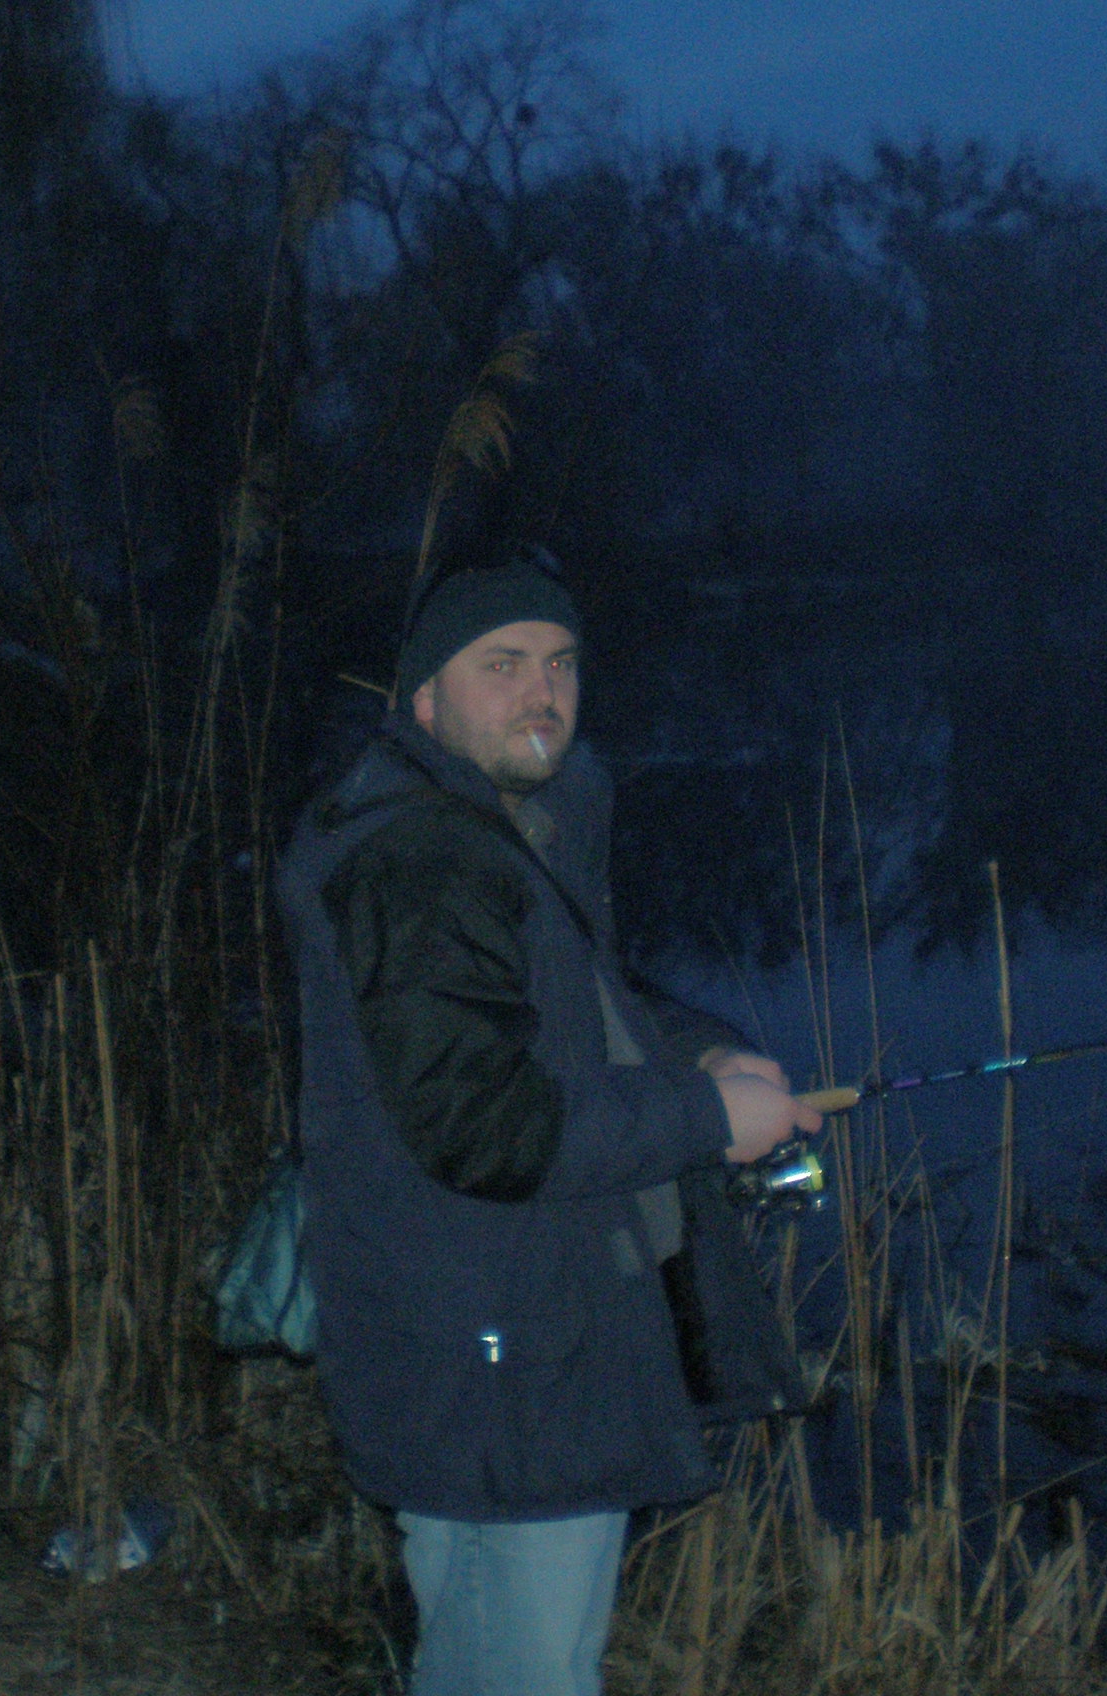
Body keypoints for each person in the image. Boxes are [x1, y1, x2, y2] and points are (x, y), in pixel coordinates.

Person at [278, 559, 823, 1696]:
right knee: (523, 1669)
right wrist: (705, 1117)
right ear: (425, 698)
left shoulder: (507, 823)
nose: (543, 692)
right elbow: (485, 1125)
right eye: (504, 666)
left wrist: (698, 1054)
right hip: (492, 1352)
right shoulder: (419, 861)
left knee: (507, 1657)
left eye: (562, 664)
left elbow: (569, 1008)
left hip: (522, 1332)